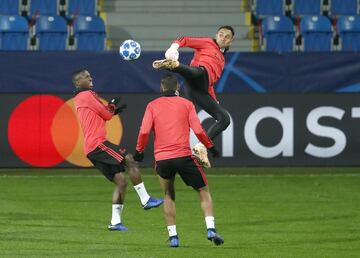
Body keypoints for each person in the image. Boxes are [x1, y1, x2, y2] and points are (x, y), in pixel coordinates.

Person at [134, 74, 224, 247]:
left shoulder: (152, 106)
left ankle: (173, 237)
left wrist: (139, 151)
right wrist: (211, 147)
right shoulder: (187, 104)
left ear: (161, 88)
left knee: (168, 195)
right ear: (178, 88)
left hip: (163, 159)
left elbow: (144, 131)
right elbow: (198, 130)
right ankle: (210, 228)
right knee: (203, 191)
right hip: (184, 157)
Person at [72, 69, 164, 231]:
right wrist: (112, 106)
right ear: (78, 83)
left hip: (91, 148)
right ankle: (145, 199)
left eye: (90, 75)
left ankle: (115, 222)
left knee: (121, 181)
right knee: (130, 159)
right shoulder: (88, 95)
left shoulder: (80, 98)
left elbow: (103, 114)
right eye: (86, 76)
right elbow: (106, 114)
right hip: (97, 144)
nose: (90, 77)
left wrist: (111, 109)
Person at [152, 25, 235, 168]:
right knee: (200, 72)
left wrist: (214, 100)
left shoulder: (221, 59)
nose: (223, 37)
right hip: (195, 78)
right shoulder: (208, 42)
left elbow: (209, 84)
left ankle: (201, 147)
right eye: (221, 34)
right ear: (216, 35)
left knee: (225, 119)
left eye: (227, 37)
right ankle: (175, 65)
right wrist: (173, 48)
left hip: (200, 89)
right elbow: (184, 39)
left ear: (230, 42)